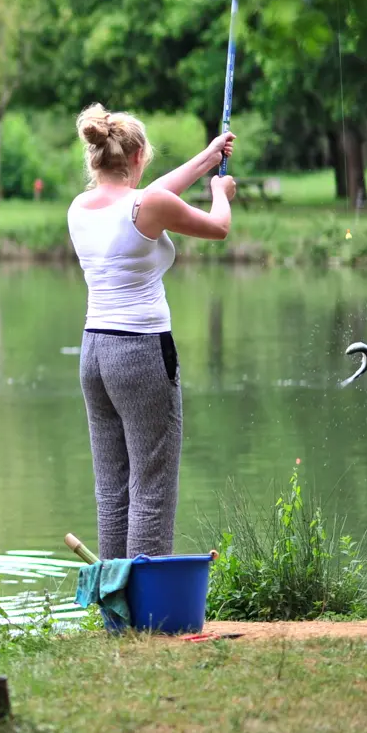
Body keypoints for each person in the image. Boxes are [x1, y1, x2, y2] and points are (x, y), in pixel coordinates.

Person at [69, 106, 235, 559]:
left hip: (94, 354)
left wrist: (206, 157)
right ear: (139, 154)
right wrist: (220, 190)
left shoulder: (80, 208)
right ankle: (151, 609)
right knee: (152, 483)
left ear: (96, 156)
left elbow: (147, 198)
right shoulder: (148, 206)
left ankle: (117, 604)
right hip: (141, 352)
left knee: (113, 487)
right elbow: (218, 228)